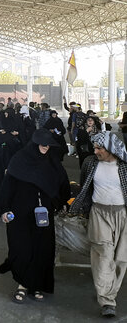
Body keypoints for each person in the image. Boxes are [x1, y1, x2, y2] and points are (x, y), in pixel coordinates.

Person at [0, 129, 70, 303]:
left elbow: (62, 185)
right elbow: (7, 186)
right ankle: (22, 284)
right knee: (22, 248)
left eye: (48, 145)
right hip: (20, 213)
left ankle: (37, 285)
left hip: (43, 215)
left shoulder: (52, 162)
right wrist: (4, 209)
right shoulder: (19, 159)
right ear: (35, 144)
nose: (46, 148)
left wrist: (58, 203)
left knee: (42, 249)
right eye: (43, 144)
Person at [71, 131, 127, 317]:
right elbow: (85, 187)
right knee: (103, 254)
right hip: (98, 213)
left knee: (121, 259)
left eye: (99, 148)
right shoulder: (90, 163)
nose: (95, 151)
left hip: (122, 214)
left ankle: (110, 291)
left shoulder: (125, 166)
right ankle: (107, 300)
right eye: (94, 147)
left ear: (111, 149)